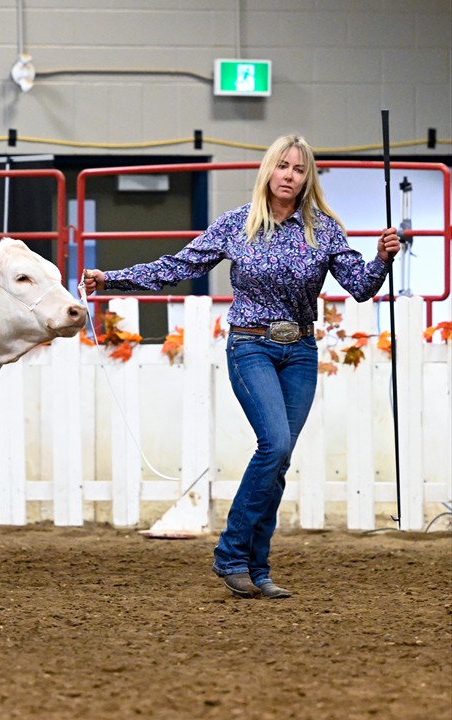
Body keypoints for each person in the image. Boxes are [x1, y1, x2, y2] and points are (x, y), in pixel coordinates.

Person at [82, 134, 401, 600]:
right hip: (250, 346)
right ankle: (231, 554)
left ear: (307, 176)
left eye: (299, 169)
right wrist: (112, 279)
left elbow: (359, 286)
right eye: (283, 166)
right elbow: (178, 265)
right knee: (273, 444)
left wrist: (382, 257)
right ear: (269, 171)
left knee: (279, 457)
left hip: (301, 351)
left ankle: (258, 565)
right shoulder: (238, 225)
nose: (290, 176)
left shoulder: (324, 229)